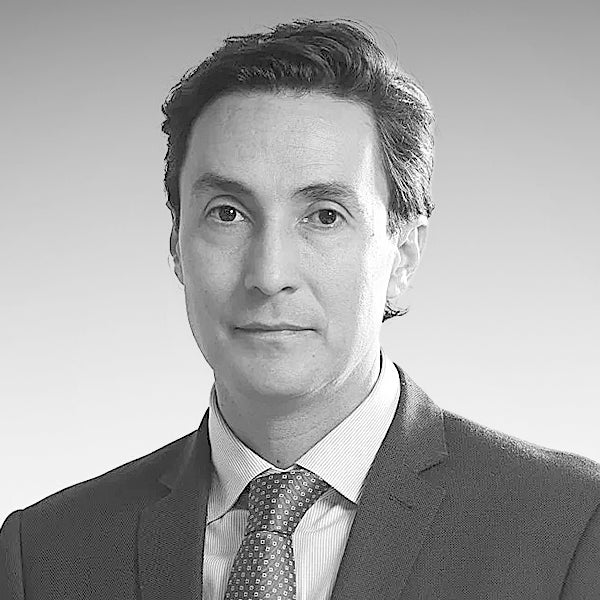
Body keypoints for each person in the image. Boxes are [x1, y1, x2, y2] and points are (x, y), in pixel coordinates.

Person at [1, 18, 599, 600]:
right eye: (228, 213)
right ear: (177, 247)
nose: (269, 275)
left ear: (403, 256)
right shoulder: (46, 554)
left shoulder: (572, 529)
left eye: (324, 216)